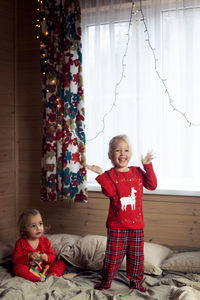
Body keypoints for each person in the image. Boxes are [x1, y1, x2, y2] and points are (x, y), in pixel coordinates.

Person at [87, 134, 157, 292]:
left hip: (136, 227)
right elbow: (110, 192)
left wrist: (147, 166)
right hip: (117, 226)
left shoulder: (137, 172)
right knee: (112, 258)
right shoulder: (110, 175)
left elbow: (152, 185)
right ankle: (106, 281)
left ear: (130, 154)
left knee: (136, 259)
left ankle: (136, 283)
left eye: (126, 150)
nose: (122, 153)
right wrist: (100, 174)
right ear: (110, 155)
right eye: (117, 150)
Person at [13, 209, 66, 282]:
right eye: (33, 226)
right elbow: (16, 260)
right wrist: (28, 256)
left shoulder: (45, 241)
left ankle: (52, 275)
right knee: (17, 268)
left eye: (40, 224)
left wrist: (47, 257)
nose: (38, 228)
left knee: (61, 263)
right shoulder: (20, 243)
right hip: (29, 269)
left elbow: (52, 256)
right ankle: (37, 279)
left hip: (44, 268)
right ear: (25, 229)